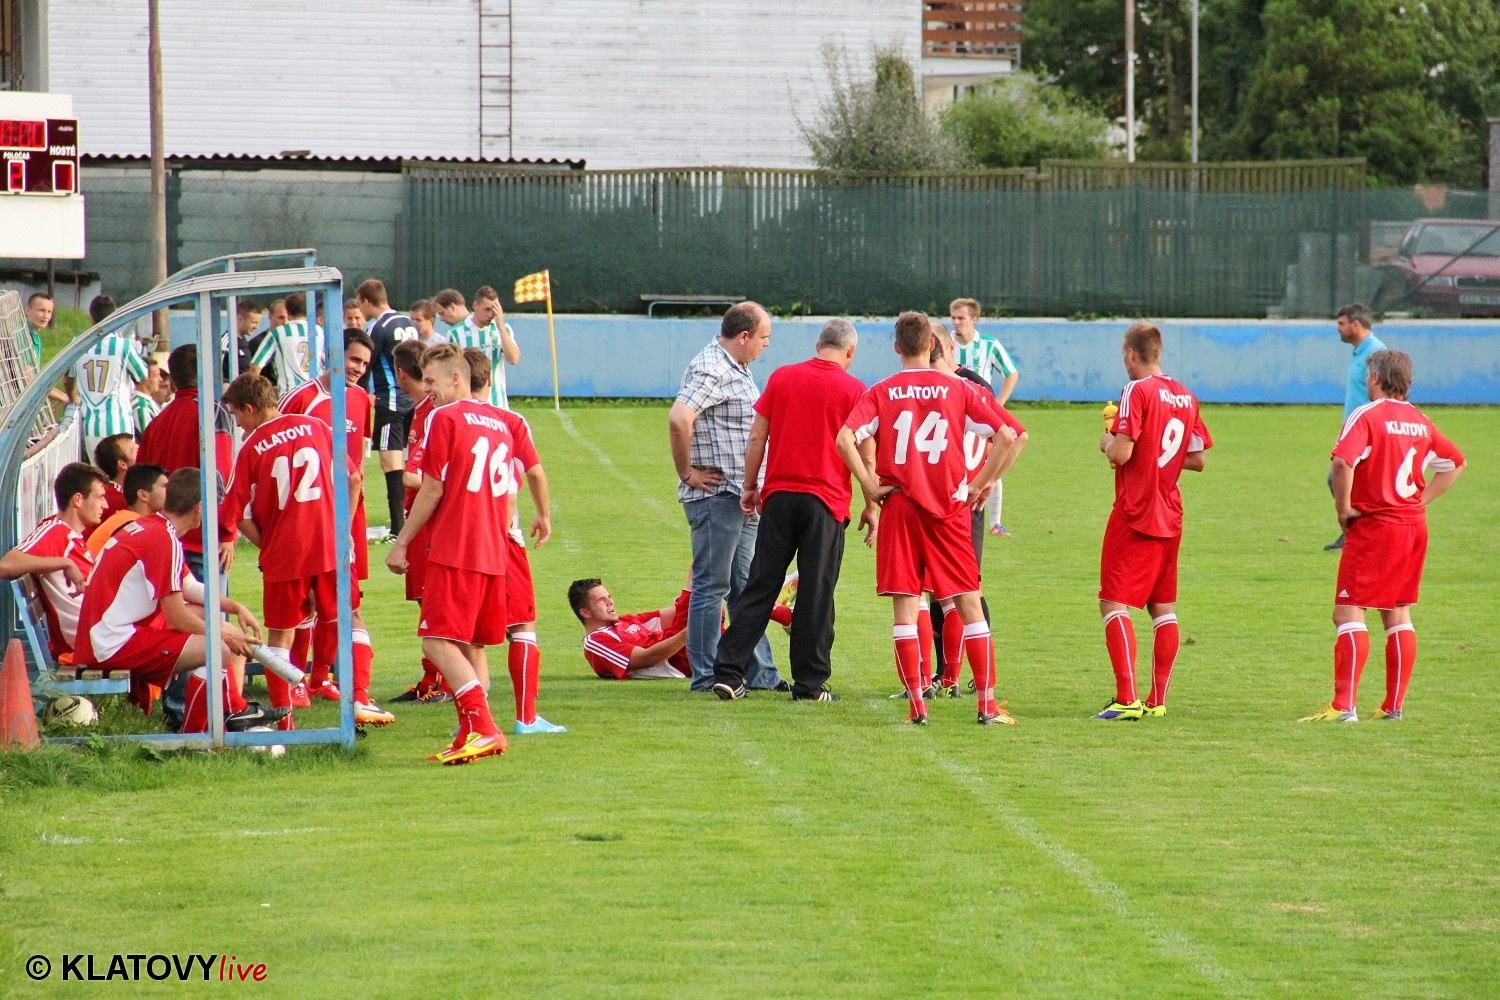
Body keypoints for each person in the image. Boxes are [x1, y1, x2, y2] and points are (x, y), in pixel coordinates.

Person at [836, 311, 1021, 725]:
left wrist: (868, 483)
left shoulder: (881, 391)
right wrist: (979, 484)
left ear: (896, 347)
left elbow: (845, 438)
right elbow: (1007, 436)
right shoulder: (959, 388)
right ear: (933, 345)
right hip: (948, 509)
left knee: (906, 605)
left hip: (900, 507)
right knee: (968, 601)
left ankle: (917, 708)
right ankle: (987, 706)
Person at [220, 373, 394, 729]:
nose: (237, 424)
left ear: (250, 409)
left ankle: (286, 727)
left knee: (280, 637)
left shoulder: (252, 447)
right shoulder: (317, 427)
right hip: (331, 545)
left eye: (236, 414)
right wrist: (342, 528)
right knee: (349, 618)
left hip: (286, 554)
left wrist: (268, 543)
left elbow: (236, 513)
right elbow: (354, 479)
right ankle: (361, 698)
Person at [1301, 349, 1465, 723]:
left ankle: (1344, 706)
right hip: (1412, 527)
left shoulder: (1367, 415)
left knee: (1348, 611)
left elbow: (1342, 461)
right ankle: (1393, 707)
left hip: (1376, 526)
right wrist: (1419, 501)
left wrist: (1342, 510)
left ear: (1375, 378)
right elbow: (1456, 463)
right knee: (1397, 611)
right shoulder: (1421, 421)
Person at [710, 318, 864, 702]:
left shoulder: (782, 377)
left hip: (779, 497)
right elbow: (865, 451)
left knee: (760, 585)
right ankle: (809, 685)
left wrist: (750, 486)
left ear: (817, 345)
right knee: (815, 592)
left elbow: (757, 436)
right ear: (850, 352)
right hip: (826, 502)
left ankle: (729, 672)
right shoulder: (854, 390)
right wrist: (872, 502)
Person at [74, 468, 281, 732]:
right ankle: (194, 737)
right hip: (109, 643)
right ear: (200, 508)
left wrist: (235, 607)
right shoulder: (163, 538)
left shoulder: (155, 527)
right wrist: (224, 635)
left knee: (208, 619)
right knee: (218, 648)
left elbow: (189, 587)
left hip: (104, 634)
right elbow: (176, 618)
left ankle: (233, 711)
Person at [385, 344, 512, 765]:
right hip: (492, 548)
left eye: (431, 381)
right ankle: (468, 731)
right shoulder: (500, 420)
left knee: (436, 641)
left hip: (456, 547)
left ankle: (484, 727)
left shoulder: (444, 417)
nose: (427, 389)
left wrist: (402, 541)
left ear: (457, 378)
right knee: (467, 643)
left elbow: (432, 488)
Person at [1093, 322, 1212, 721]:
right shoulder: (1186, 395)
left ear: (1131, 354)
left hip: (1136, 510)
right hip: (1170, 512)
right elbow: (1197, 459)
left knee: (1113, 602)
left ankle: (1126, 699)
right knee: (1163, 607)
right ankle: (1157, 700)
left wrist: (1108, 440)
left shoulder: (1136, 390)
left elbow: (1120, 454)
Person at [668, 302, 786, 694]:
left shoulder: (733, 366)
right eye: (764, 337)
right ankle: (706, 676)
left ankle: (760, 673)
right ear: (744, 336)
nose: (767, 345)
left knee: (746, 587)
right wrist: (687, 473)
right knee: (712, 586)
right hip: (717, 496)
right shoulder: (712, 368)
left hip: (739, 495)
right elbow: (679, 418)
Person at [921, 320, 1027, 696]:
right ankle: (946, 675)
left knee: (957, 591)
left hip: (955, 499)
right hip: (957, 497)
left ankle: (953, 676)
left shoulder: (967, 386)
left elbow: (1013, 436)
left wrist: (985, 481)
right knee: (945, 592)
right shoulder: (955, 385)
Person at [461, 347, 564, 734]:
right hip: (502, 540)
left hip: (459, 543)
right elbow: (533, 472)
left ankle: (475, 718)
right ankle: (526, 717)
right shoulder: (509, 420)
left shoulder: (445, 417)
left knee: (469, 634)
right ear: (490, 379)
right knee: (522, 626)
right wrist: (543, 514)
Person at [279, 329, 377, 704]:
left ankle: (320, 678)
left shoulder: (360, 399)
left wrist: (347, 523)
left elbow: (358, 461)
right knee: (304, 597)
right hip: (307, 513)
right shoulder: (302, 397)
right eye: (354, 359)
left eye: (365, 364)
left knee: (342, 600)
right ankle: (296, 679)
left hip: (347, 512)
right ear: (334, 354)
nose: (358, 369)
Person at [137, 344, 236, 581]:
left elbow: (141, 480)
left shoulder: (157, 422)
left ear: (172, 380)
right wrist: (228, 531)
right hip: (204, 539)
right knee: (207, 606)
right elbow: (221, 475)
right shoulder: (212, 413)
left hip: (165, 537)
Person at [388, 340, 450, 704]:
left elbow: (426, 478)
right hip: (422, 515)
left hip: (428, 520)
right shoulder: (424, 409)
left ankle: (439, 682)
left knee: (433, 602)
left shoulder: (432, 412)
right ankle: (434, 679)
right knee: (427, 601)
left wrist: (402, 473)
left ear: (399, 373)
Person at [0, 463, 109, 662]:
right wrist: (65, 563)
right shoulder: (54, 531)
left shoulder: (71, 535)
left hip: (100, 633)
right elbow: (6, 565)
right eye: (100, 497)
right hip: (92, 641)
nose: (105, 505)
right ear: (78, 499)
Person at [949, 298, 1021, 537]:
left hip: (982, 415)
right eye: (953, 318)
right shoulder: (947, 344)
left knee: (990, 460)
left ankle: (995, 522)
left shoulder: (989, 344)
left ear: (974, 320)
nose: (956, 322)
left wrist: (998, 404)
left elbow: (1011, 373)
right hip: (956, 414)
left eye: (961, 318)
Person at [354, 279, 420, 534]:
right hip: (412, 400)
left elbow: (366, 365)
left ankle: (398, 528)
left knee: (391, 463)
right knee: (411, 461)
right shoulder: (408, 322)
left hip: (391, 401)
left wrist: (359, 394)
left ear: (366, 301)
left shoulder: (378, 327)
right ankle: (412, 519)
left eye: (361, 304)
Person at [1324, 303, 1387, 551]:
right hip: (1354, 431)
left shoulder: (1377, 354)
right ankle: (1356, 533)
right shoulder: (1360, 352)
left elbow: (1384, 397)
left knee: (1342, 480)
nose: (1337, 328)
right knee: (1341, 481)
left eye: (1341, 323)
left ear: (1356, 324)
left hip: (1368, 433)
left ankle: (1358, 533)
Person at [64, 310, 150, 461]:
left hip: (90, 425)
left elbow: (68, 380)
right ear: (115, 318)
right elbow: (143, 376)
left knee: (98, 472)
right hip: (120, 425)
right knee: (123, 472)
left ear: (92, 318)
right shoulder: (123, 345)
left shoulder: (78, 343)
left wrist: (74, 399)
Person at [571, 580, 692, 680]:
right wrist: (691, 631)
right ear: (585, 613)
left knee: (693, 594)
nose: (610, 602)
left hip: (684, 646)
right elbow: (648, 658)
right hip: (677, 660)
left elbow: (672, 613)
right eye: (602, 600)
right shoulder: (595, 641)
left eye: (609, 597)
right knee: (696, 589)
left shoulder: (624, 620)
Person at [442, 286, 521, 410]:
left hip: (497, 404)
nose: (491, 314)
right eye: (487, 309)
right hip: (468, 404)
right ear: (475, 306)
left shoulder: (503, 329)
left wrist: (501, 327)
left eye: (494, 309)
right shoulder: (455, 333)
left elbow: (514, 359)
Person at [87, 463, 168, 557]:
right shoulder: (133, 525)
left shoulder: (127, 519)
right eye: (165, 486)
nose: (170, 491)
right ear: (143, 495)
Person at [248, 291, 317, 396]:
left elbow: (255, 367)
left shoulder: (278, 333)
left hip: (289, 395)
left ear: (288, 311)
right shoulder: (319, 332)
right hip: (316, 395)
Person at [90, 433, 137, 531]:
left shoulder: (111, 491)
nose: (143, 454)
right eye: (136, 452)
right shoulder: (119, 501)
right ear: (122, 464)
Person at [223, 300, 263, 383]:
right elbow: (215, 372)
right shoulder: (226, 342)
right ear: (240, 319)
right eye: (254, 322)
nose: (257, 327)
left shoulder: (244, 342)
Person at [132, 360, 163, 436]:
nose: (160, 379)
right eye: (156, 375)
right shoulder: (142, 408)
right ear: (143, 378)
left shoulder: (147, 402)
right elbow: (148, 439)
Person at [23, 291, 53, 366]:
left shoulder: (36, 336)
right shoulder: (22, 335)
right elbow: (26, 369)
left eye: (49, 312)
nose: (46, 316)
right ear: (28, 310)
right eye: (41, 310)